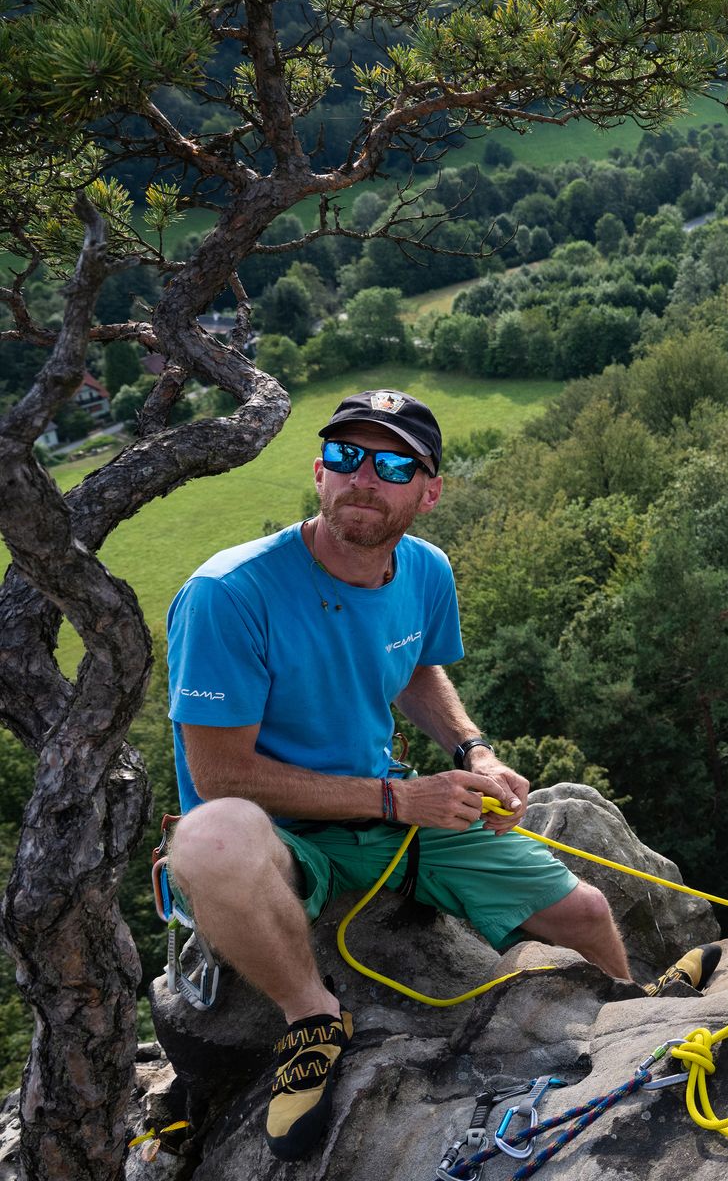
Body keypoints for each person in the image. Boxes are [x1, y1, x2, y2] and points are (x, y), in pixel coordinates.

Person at [164, 390, 641, 1160]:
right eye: (346, 458)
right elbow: (217, 774)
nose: (364, 478)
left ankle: (638, 1036)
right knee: (208, 837)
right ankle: (311, 1017)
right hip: (281, 837)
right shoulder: (231, 593)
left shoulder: (423, 570)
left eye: (391, 464)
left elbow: (417, 669)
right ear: (319, 472)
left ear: (429, 491)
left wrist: (472, 753)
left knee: (585, 913)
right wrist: (396, 798)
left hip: (388, 810)